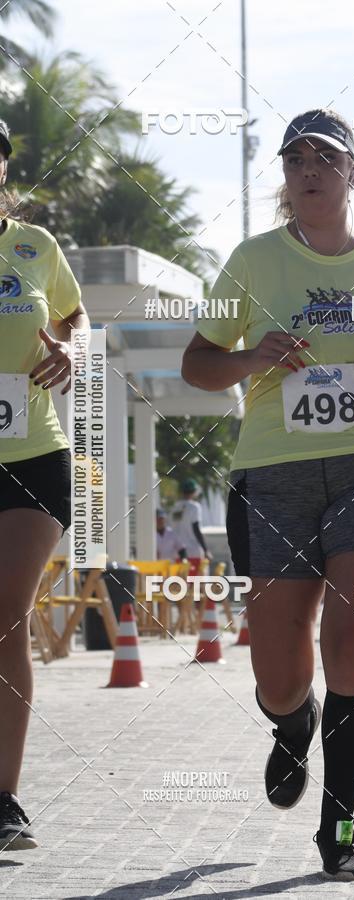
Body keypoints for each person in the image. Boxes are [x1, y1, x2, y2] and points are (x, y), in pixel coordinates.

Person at [181, 108, 354, 880]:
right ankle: (290, 724)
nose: (310, 170)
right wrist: (249, 357)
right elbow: (198, 364)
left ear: (352, 172)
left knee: (351, 648)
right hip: (273, 472)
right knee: (279, 673)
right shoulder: (254, 261)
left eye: (326, 158)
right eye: (296, 158)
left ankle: (340, 825)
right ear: (285, 177)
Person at [0, 119, 89, 851]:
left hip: (31, 453)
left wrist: (71, 347)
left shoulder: (35, 246)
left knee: (5, 617)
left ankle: (4, 800)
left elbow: (75, 314)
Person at [169, 478, 212, 574]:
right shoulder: (195, 507)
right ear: (194, 492)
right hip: (193, 552)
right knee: (194, 585)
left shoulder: (174, 508)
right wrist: (206, 550)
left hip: (177, 553)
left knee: (180, 586)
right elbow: (196, 528)